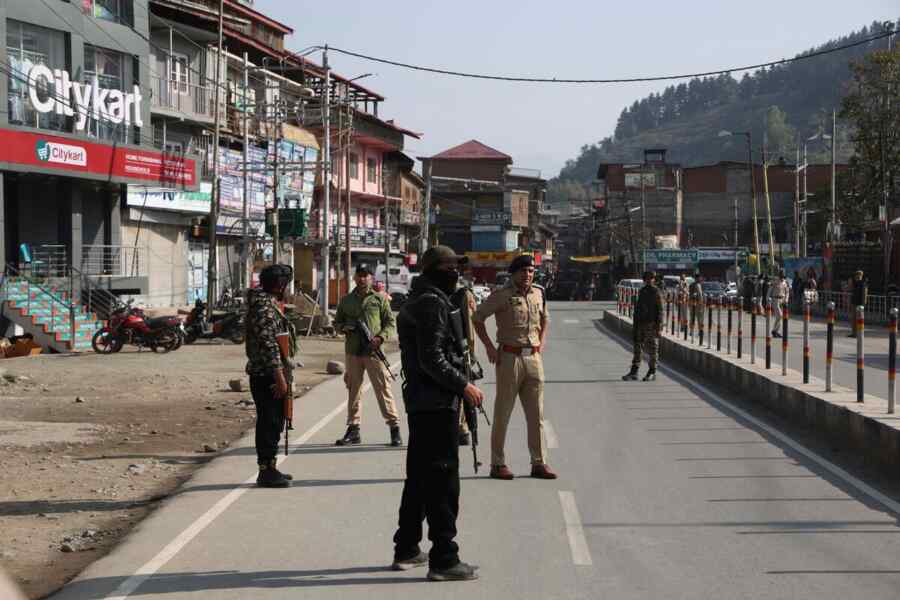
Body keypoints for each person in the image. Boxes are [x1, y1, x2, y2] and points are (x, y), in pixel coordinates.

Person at [392, 245, 484, 581]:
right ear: (435, 271)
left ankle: (407, 546)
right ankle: (444, 558)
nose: (456, 274)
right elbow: (432, 358)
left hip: (423, 402)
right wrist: (464, 386)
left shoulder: (425, 298)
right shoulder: (432, 302)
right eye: (450, 269)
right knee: (443, 481)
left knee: (418, 477)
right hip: (435, 404)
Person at [473, 254, 556, 481]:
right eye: (523, 271)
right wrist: (489, 347)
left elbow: (545, 318)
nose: (528, 275)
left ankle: (539, 462)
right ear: (514, 273)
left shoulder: (539, 293)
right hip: (509, 358)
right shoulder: (502, 295)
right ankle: (497, 464)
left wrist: (542, 340)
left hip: (533, 359)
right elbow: (478, 318)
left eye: (531, 271)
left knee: (536, 414)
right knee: (503, 413)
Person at [333, 265, 402, 447]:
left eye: (366, 276)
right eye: (359, 275)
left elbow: (390, 323)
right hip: (353, 351)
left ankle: (394, 429)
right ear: (355, 278)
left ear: (371, 278)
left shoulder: (379, 299)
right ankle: (353, 429)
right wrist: (345, 328)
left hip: (373, 352)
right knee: (353, 389)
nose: (362, 279)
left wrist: (380, 338)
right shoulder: (346, 300)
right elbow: (337, 322)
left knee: (383, 389)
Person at [245, 263, 295, 488]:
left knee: (275, 422)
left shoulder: (269, 304)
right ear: (279, 285)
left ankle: (271, 466)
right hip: (267, 374)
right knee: (269, 421)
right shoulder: (264, 308)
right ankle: (265, 471)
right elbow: (268, 345)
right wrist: (279, 376)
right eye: (286, 284)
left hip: (273, 372)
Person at [451, 279, 479, 446]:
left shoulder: (462, 294)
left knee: (462, 387)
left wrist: (469, 353)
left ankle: (462, 428)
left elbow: (469, 326)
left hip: (459, 351)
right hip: (445, 351)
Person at [622, 270, 664, 382]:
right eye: (647, 278)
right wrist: (635, 325)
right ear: (644, 280)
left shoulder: (656, 292)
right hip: (640, 323)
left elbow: (660, 311)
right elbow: (638, 309)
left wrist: (659, 327)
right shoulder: (642, 291)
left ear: (654, 279)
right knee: (637, 347)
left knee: (653, 348)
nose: (649, 280)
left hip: (651, 324)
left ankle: (652, 371)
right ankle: (634, 371)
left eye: (651, 278)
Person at [769, 270, 789, 338]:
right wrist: (767, 299)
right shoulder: (775, 281)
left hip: (782, 300)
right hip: (775, 299)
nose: (782, 277)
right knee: (779, 315)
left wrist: (786, 300)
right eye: (781, 275)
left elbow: (787, 292)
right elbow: (770, 290)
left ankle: (775, 331)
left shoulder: (785, 282)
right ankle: (774, 330)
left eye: (783, 275)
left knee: (780, 317)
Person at [848, 270, 868, 338]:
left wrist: (864, 302)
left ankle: (857, 333)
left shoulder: (863, 283)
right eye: (857, 275)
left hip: (859, 303)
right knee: (854, 319)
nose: (858, 276)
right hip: (855, 302)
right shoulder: (856, 283)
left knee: (858, 319)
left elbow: (865, 293)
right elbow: (851, 289)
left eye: (859, 275)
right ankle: (854, 333)